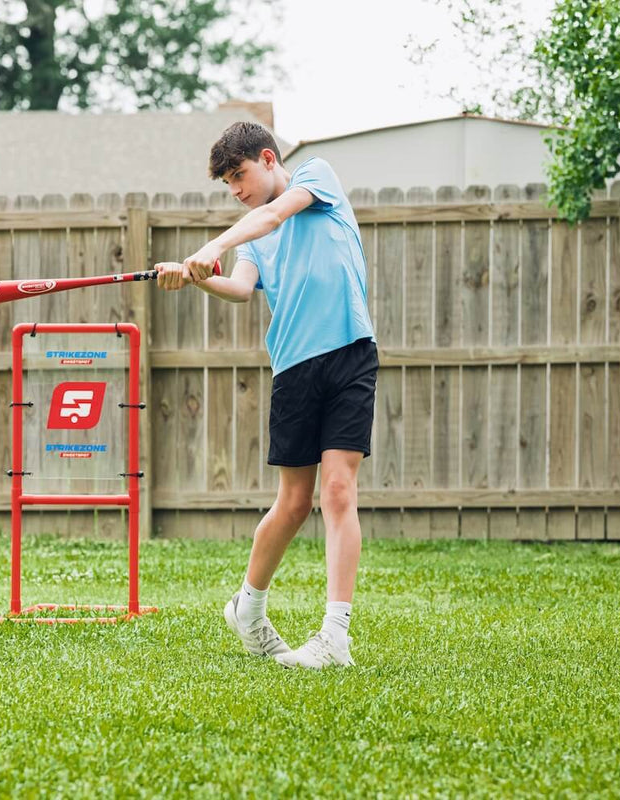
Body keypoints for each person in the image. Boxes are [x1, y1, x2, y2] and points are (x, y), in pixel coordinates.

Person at [156, 121, 378, 670]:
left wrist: (213, 244)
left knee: (339, 491)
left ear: (268, 158)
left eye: (239, 175)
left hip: (351, 353)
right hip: (294, 368)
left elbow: (273, 213)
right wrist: (195, 277)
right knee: (295, 502)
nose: (236, 188)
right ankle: (247, 609)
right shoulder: (254, 233)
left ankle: (335, 637)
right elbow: (239, 288)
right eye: (228, 182)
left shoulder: (315, 179)